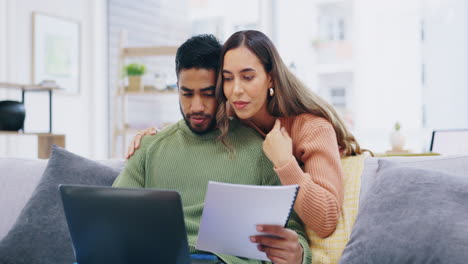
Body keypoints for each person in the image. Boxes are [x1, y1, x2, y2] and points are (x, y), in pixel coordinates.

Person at [127, 30, 365, 238]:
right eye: (228, 79)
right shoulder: (234, 108)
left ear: (270, 77)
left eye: (248, 77)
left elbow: (325, 221)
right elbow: (196, 113)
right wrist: (154, 137)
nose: (236, 90)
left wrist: (285, 162)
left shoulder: (311, 128)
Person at [113, 34, 312, 264]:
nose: (196, 106)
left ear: (223, 88)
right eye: (187, 93)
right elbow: (112, 220)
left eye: (207, 93)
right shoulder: (149, 149)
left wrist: (298, 253)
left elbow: (294, 230)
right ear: (177, 88)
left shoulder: (263, 150)